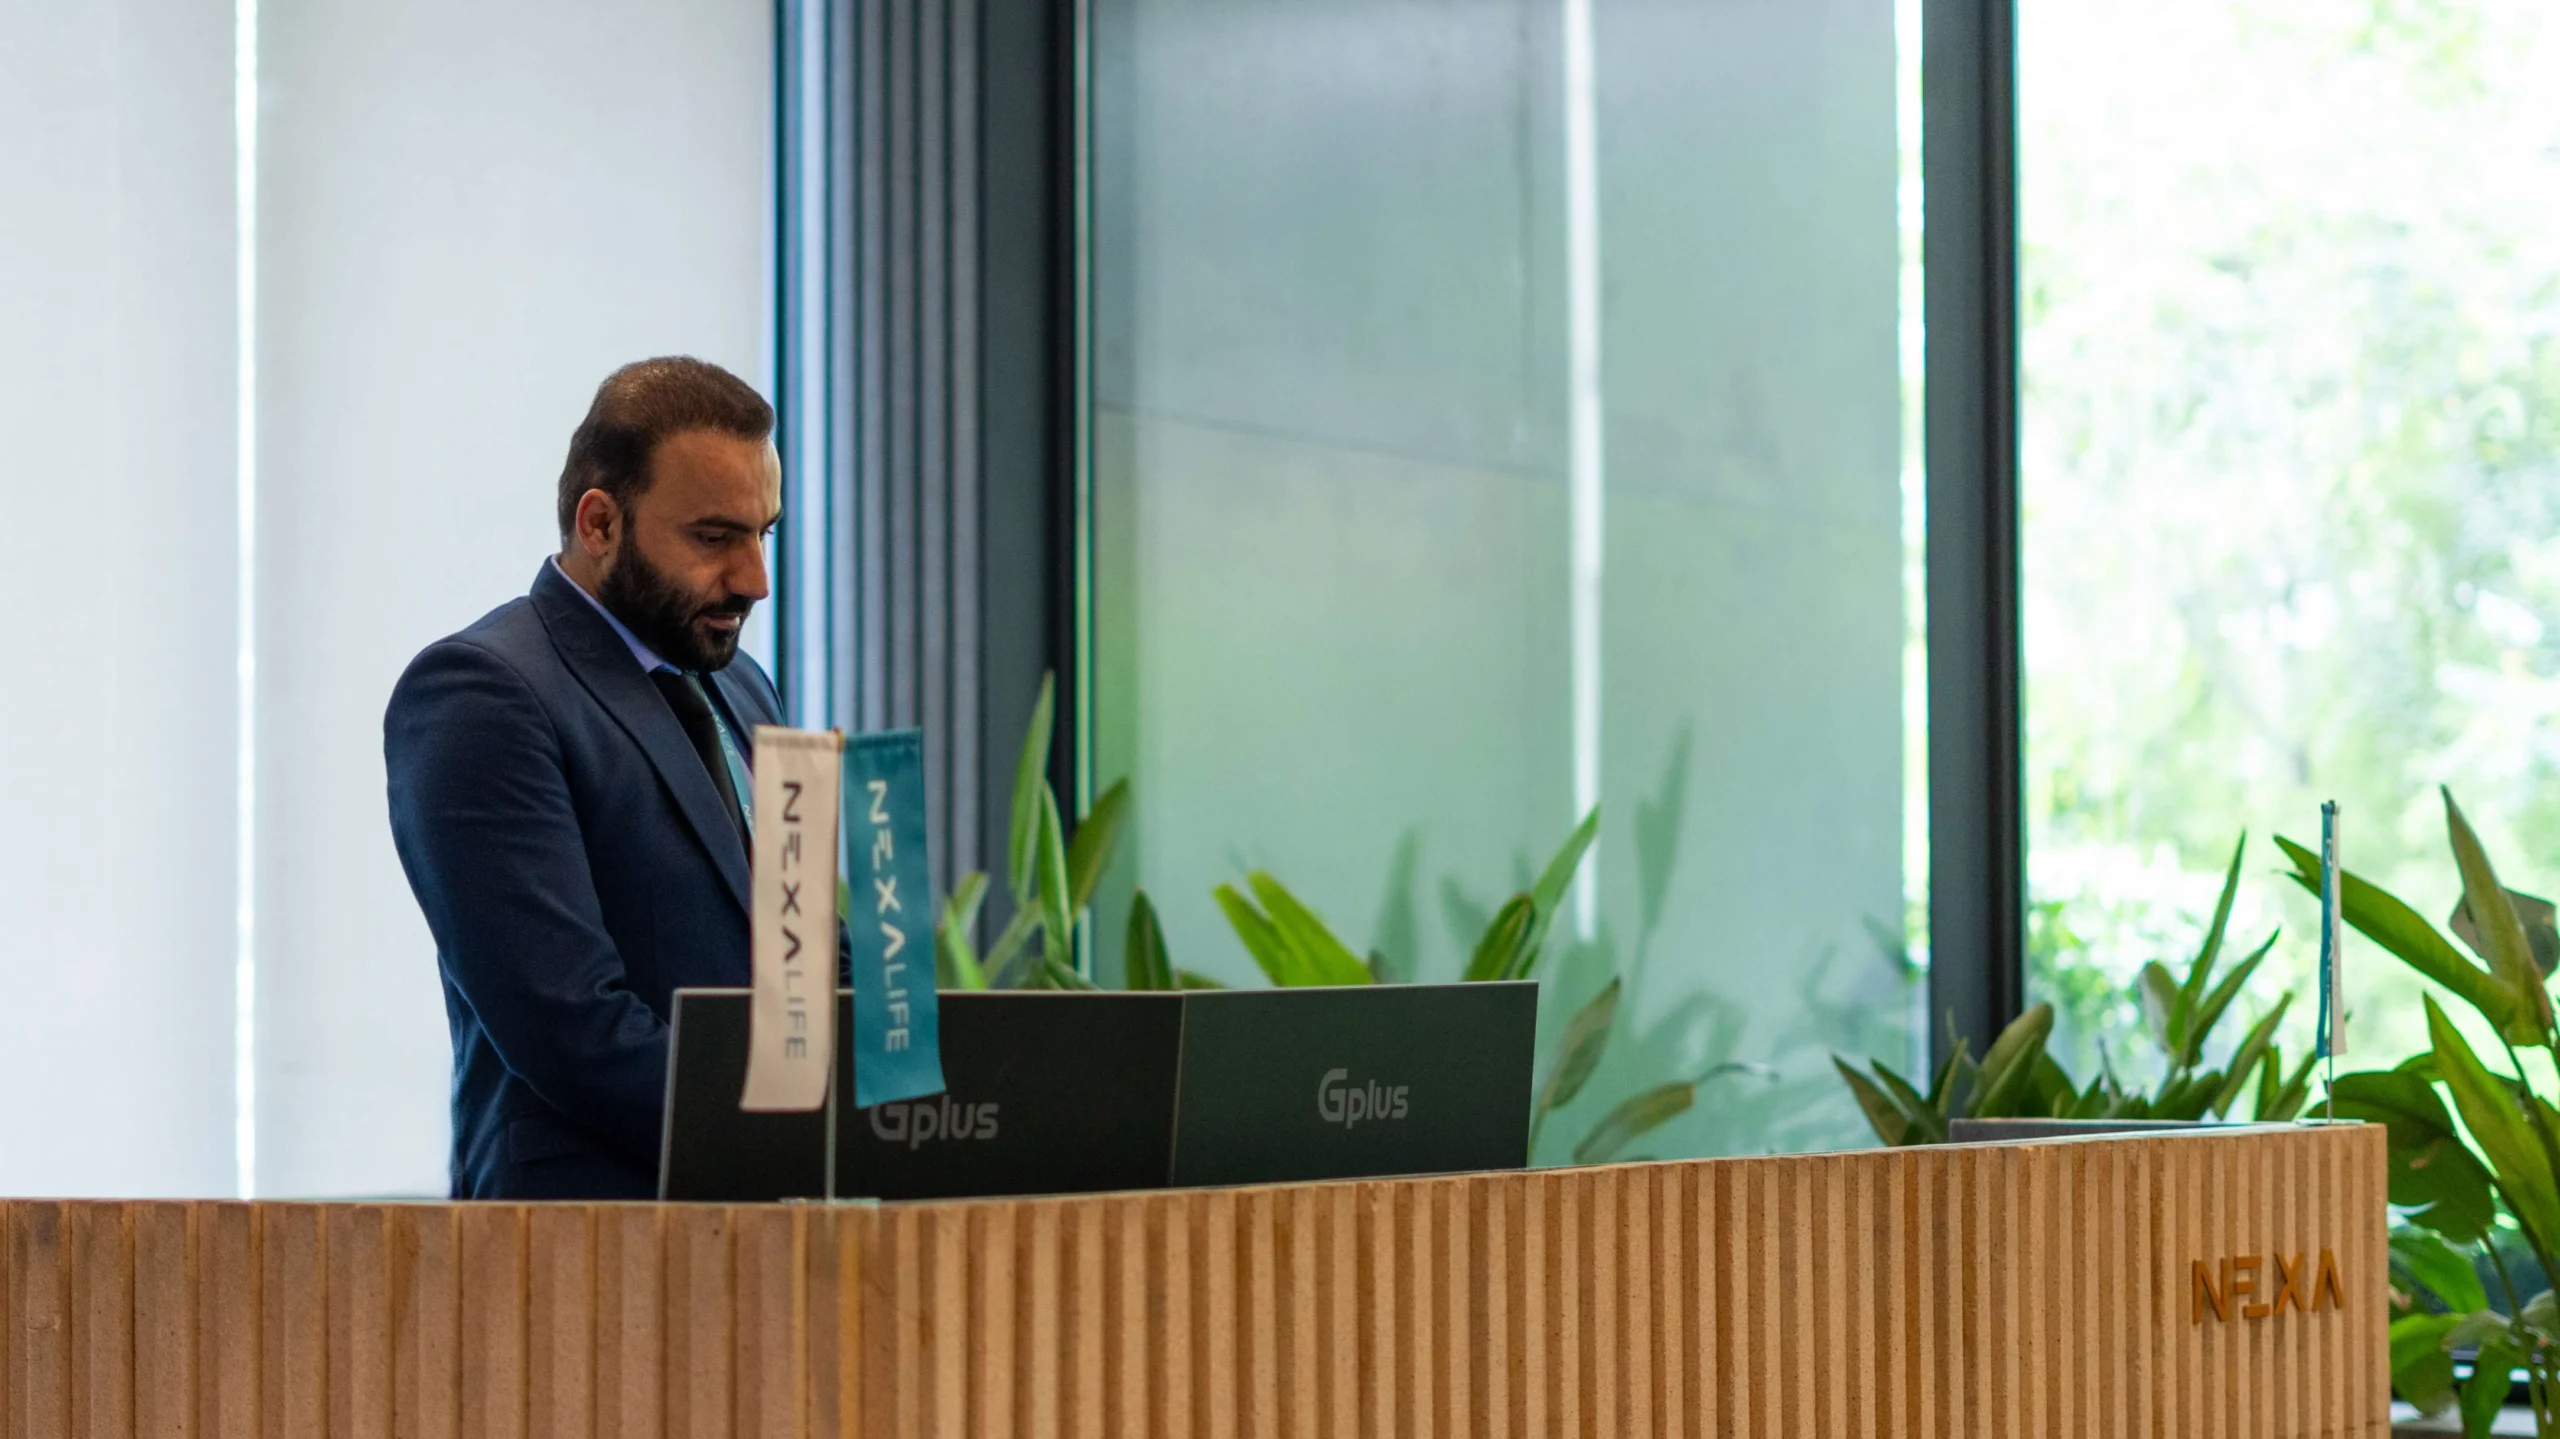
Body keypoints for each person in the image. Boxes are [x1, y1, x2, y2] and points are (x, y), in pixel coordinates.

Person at [386, 356, 789, 1200]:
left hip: (772, 1228)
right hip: (583, 1244)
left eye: (765, 534)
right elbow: (571, 1024)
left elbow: (804, 949)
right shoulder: (482, 692)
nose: (754, 579)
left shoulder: (744, 687)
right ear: (600, 522)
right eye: (714, 537)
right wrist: (798, 1135)